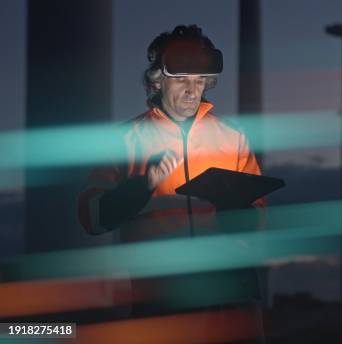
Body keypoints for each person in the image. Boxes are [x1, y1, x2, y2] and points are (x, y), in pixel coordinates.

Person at [77, 25, 266, 342]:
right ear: (157, 80)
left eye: (199, 80)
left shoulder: (232, 138)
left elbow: (259, 222)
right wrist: (140, 187)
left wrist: (238, 212)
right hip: (161, 300)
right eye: (181, 79)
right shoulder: (124, 140)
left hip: (232, 295)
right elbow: (91, 217)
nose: (193, 90)